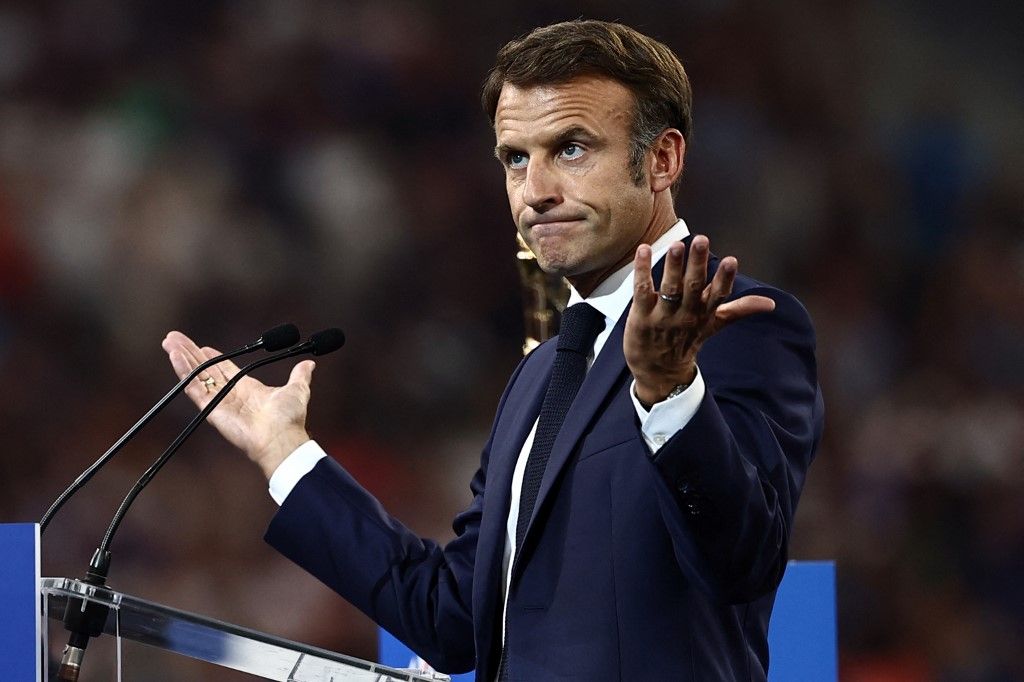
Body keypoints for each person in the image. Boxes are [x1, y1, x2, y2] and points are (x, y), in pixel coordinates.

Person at [163, 20, 823, 681]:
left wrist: (671, 392)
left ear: (662, 159)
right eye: (515, 157)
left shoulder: (738, 327)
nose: (534, 191)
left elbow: (743, 560)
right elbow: (453, 619)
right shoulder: (541, 375)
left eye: (570, 149)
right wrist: (286, 453)